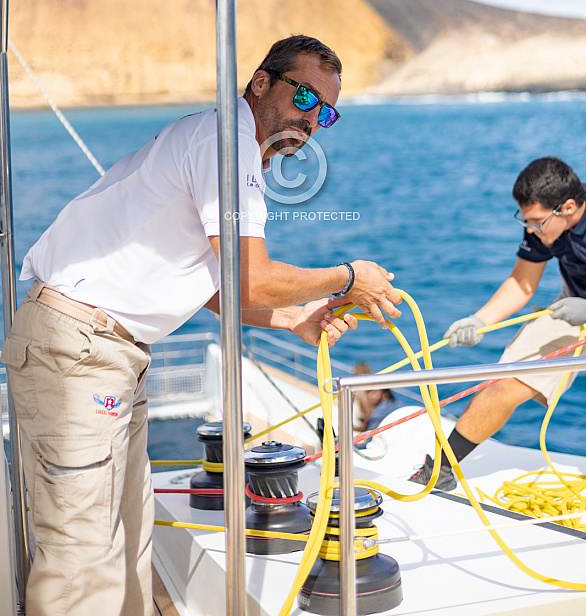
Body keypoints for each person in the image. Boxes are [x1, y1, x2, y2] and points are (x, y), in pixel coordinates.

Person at [1, 34, 402, 616]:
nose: (314, 119)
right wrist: (347, 278)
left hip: (109, 354)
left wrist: (293, 320)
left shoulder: (231, 147)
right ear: (261, 84)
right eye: (306, 99)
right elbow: (250, 276)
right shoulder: (227, 142)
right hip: (80, 351)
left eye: (328, 112)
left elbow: (217, 283)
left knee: (130, 536)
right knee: (83, 557)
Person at [409, 156, 586, 492]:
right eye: (526, 220)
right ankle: (441, 471)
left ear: (568, 207)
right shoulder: (542, 224)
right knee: (505, 382)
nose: (530, 228)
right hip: (572, 304)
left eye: (536, 222)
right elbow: (522, 284)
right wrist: (479, 320)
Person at [352, 361, 395, 439]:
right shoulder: (364, 394)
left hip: (367, 432)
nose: (371, 395)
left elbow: (367, 425)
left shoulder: (362, 395)